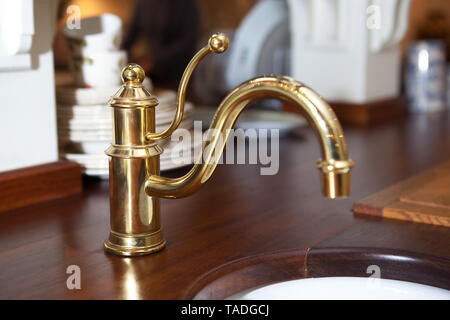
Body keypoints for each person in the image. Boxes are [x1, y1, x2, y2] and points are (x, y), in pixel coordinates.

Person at [122, 0, 199, 84]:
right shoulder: (143, 3)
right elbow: (131, 34)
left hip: (179, 73)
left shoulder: (187, 3)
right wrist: (116, 55)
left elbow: (188, 42)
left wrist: (154, 62)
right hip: (152, 74)